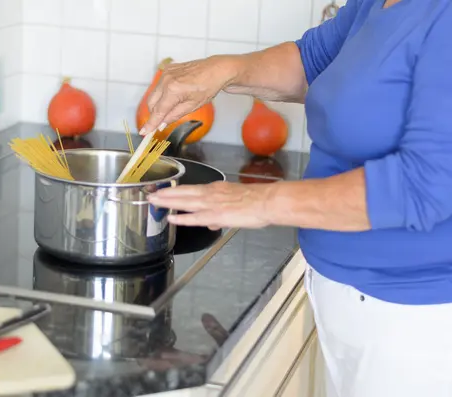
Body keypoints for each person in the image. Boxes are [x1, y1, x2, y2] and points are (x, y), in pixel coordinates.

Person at [143, 0, 452, 396]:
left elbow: (428, 183)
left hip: (418, 323)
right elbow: (313, 62)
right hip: (354, 301)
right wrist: (223, 69)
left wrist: (262, 202)